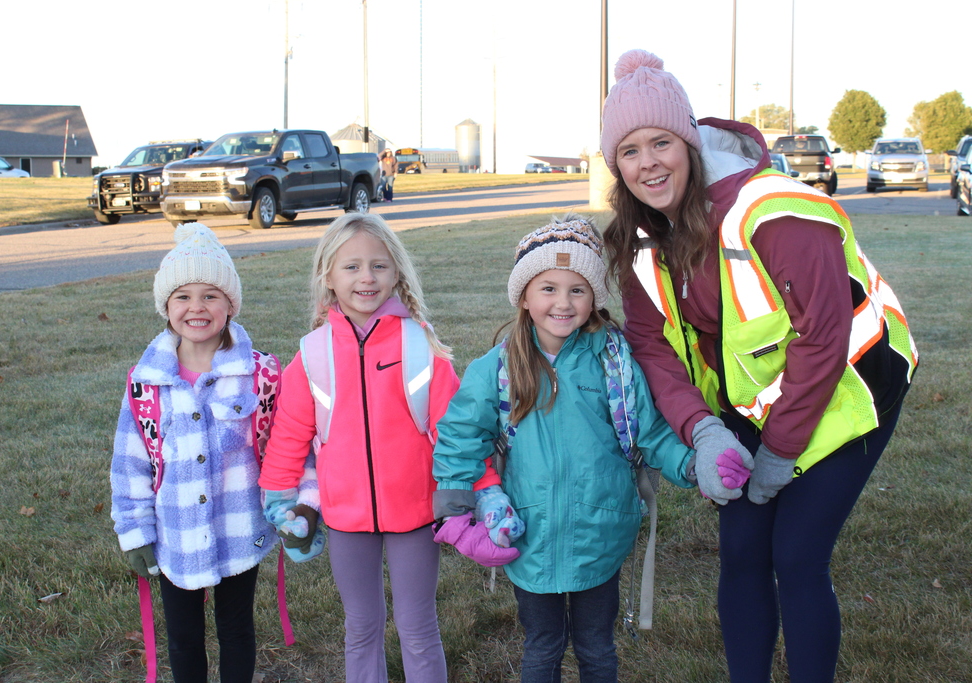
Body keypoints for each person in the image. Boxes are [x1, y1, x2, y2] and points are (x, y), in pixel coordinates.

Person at [600, 50, 918, 682]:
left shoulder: (771, 207)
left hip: (856, 380)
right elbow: (653, 349)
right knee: (743, 550)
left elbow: (824, 337)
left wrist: (779, 454)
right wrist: (704, 430)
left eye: (660, 142)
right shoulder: (640, 236)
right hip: (756, 400)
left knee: (796, 554)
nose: (647, 163)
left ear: (688, 140)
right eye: (629, 151)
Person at [431, 215, 708, 683]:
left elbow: (651, 432)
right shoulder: (495, 369)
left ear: (595, 296)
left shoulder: (614, 362)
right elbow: (458, 440)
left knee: (598, 649)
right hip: (527, 538)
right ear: (523, 295)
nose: (562, 302)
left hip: (600, 533)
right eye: (548, 288)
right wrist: (457, 514)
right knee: (542, 647)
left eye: (577, 289)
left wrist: (695, 465)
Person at [258, 213, 494, 683]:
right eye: (352, 267)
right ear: (328, 276)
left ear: (397, 273)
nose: (366, 277)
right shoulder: (313, 354)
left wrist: (486, 489)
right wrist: (281, 498)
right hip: (346, 518)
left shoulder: (421, 347)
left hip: (415, 515)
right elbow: (288, 433)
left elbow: (460, 428)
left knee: (418, 626)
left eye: (379, 266)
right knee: (361, 628)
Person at [110, 223, 279, 683]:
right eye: (183, 296)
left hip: (239, 528)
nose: (197, 308)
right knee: (183, 640)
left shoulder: (258, 374)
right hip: (175, 535)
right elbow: (130, 465)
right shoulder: (146, 383)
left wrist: (293, 503)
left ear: (230, 305)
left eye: (211, 295)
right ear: (166, 306)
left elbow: (284, 447)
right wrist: (135, 530)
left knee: (237, 630)